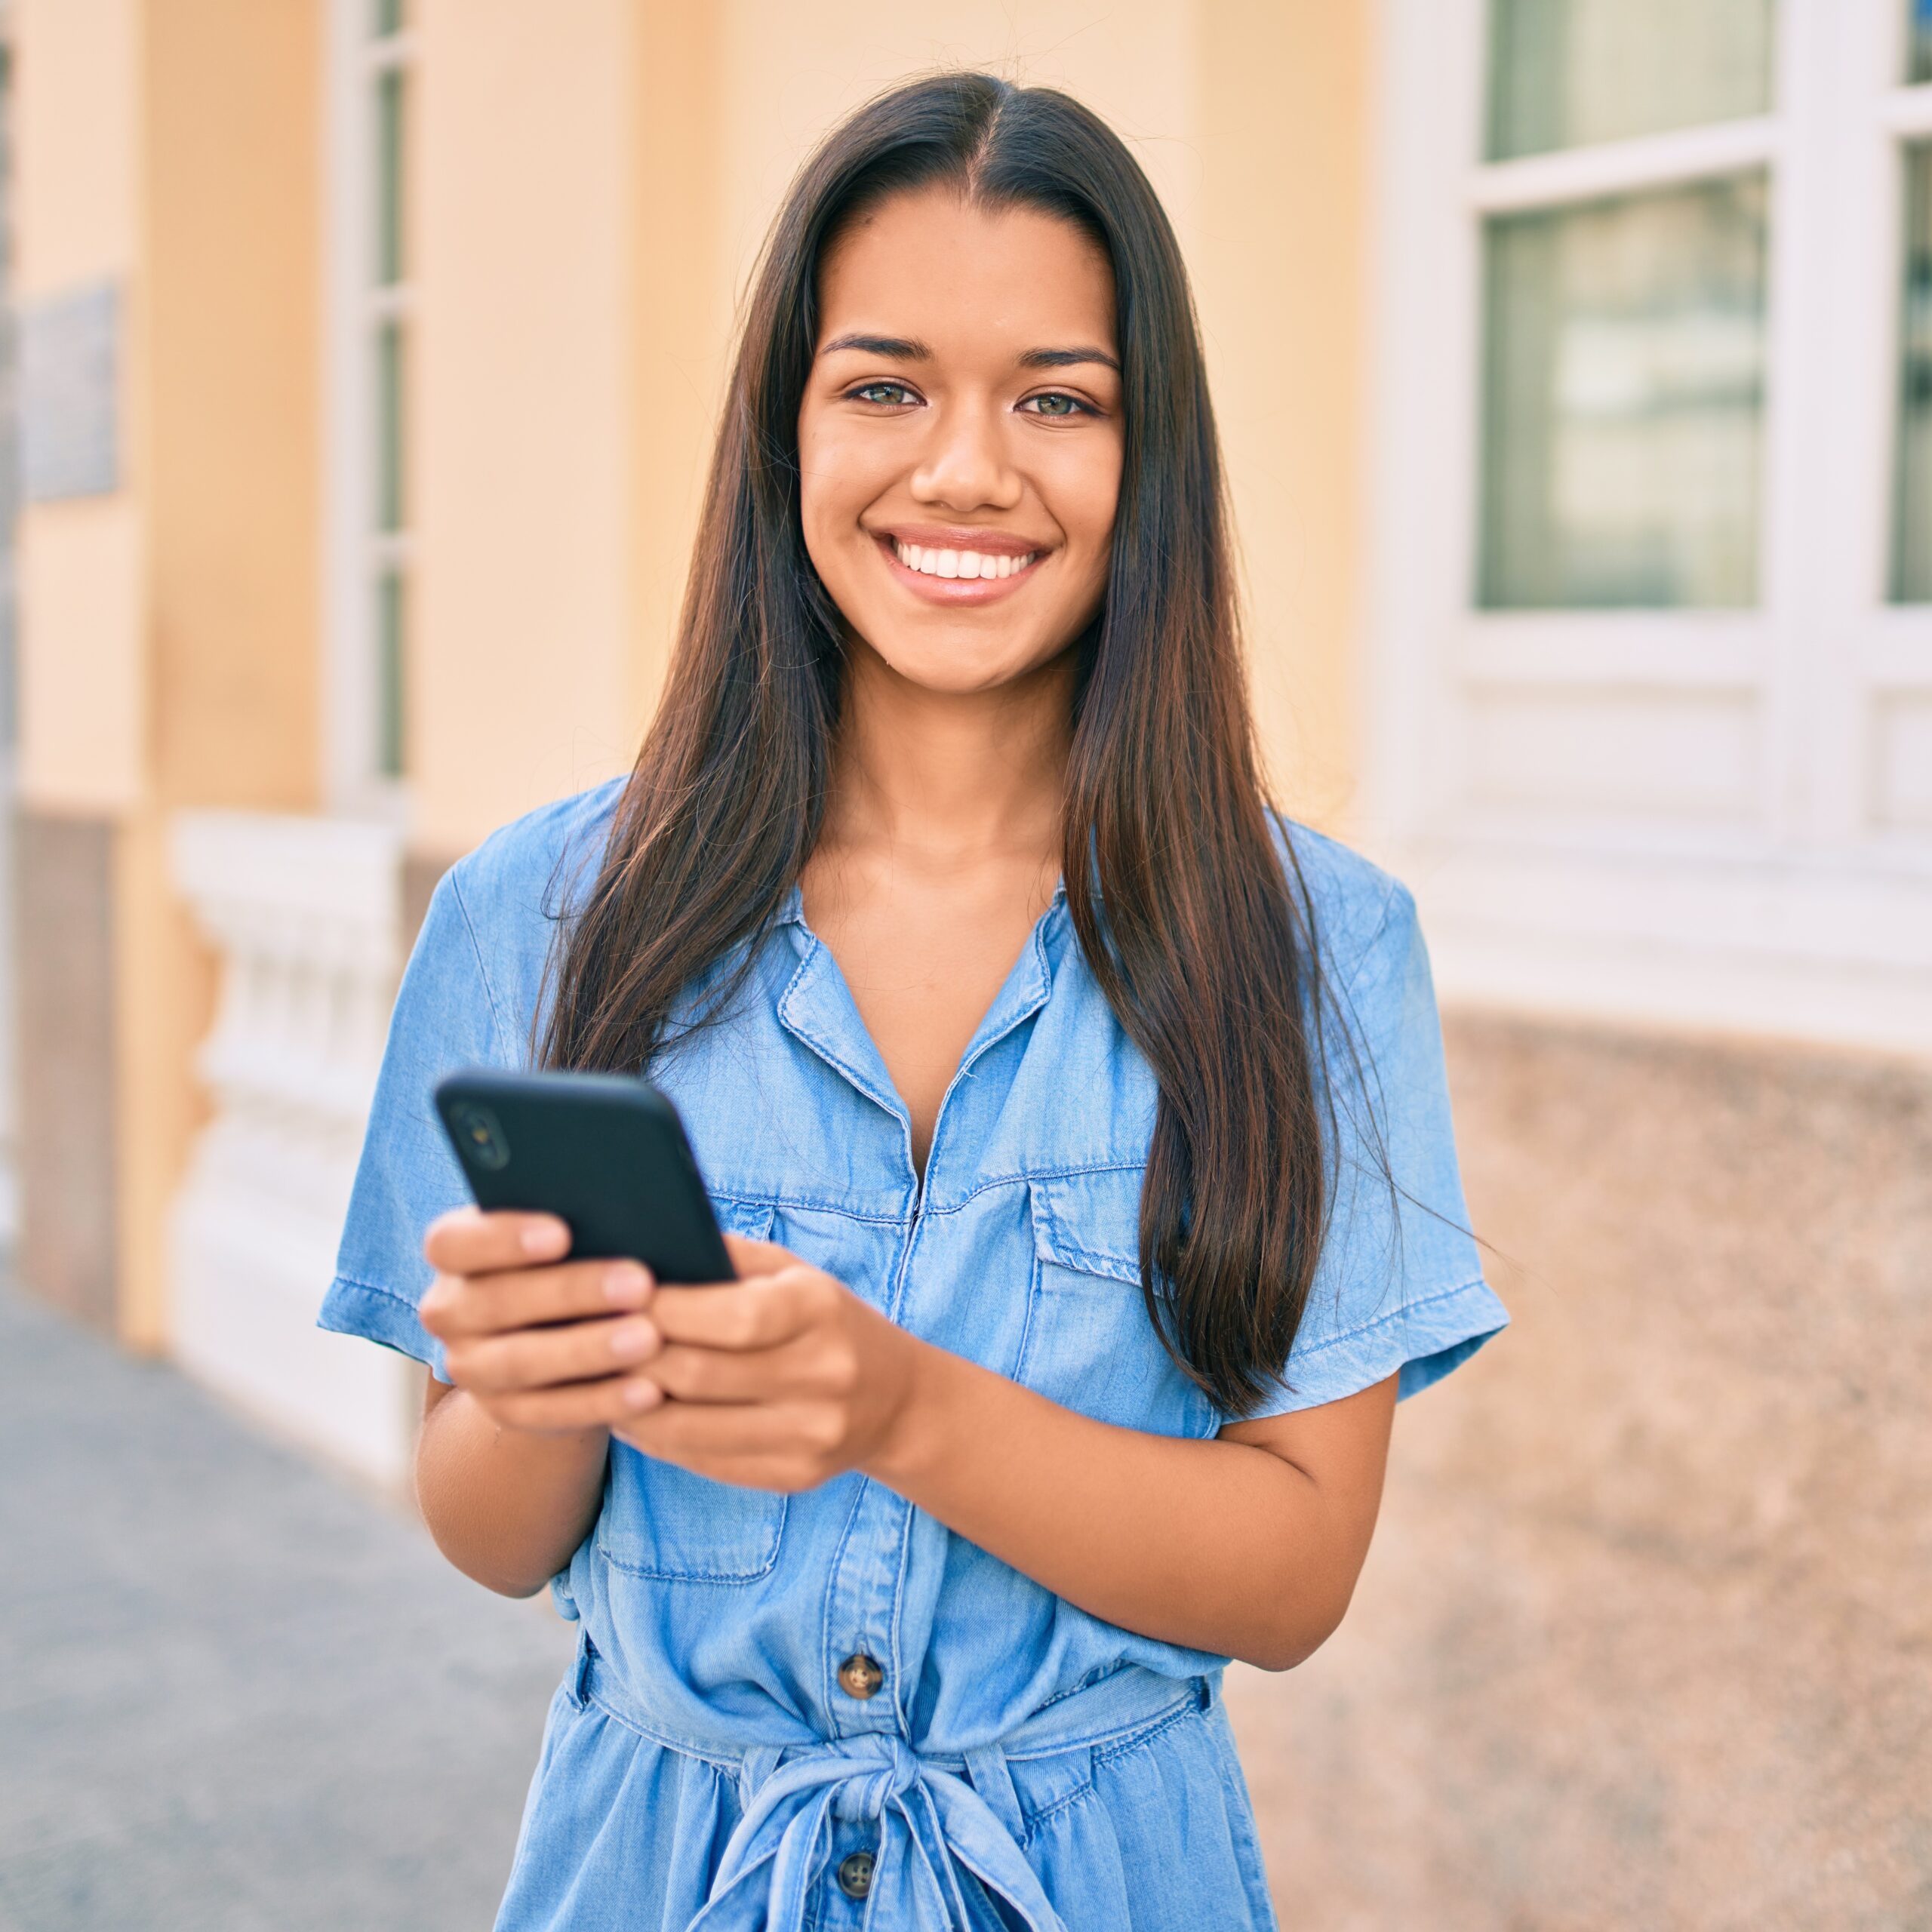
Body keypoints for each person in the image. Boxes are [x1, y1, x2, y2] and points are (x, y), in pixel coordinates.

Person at [318, 70, 1509, 1932]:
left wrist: (890, 1406)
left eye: (1057, 398)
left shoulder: (1312, 944)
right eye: (882, 386)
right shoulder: (541, 914)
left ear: (1150, 458)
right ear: (783, 431)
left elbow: (1291, 1576)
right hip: (653, 1867)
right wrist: (544, 1392)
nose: (964, 467)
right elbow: (485, 1531)